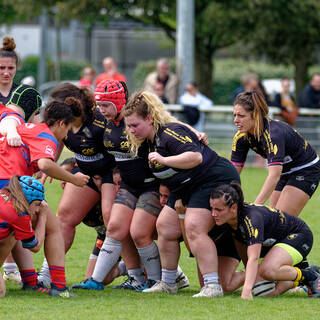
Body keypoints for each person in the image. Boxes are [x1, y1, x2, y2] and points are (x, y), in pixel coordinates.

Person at [123, 91, 240, 298]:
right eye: (129, 126)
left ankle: (213, 286)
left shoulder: (168, 133)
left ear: (149, 119)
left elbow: (195, 157)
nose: (131, 130)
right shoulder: (148, 141)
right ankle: (168, 283)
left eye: (135, 125)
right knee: (165, 227)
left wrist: (164, 160)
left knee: (194, 227)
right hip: (188, 185)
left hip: (213, 179)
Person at [73, 79, 163, 292]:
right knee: (114, 227)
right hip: (128, 187)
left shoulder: (136, 121)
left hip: (151, 186)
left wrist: (195, 133)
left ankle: (158, 282)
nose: (102, 110)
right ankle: (96, 281)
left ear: (119, 102)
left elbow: (166, 126)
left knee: (139, 233)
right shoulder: (105, 123)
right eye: (99, 105)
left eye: (106, 105)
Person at [37, 83, 117, 287]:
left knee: (113, 221)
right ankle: (47, 274)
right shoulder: (63, 122)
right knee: (64, 216)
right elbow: (60, 139)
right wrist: (52, 162)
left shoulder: (100, 122)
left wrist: (114, 177)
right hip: (84, 172)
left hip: (111, 175)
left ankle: (151, 272)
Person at [210, 182, 320, 300]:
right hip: (275, 244)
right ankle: (298, 276)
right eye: (212, 208)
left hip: (299, 235)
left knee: (267, 270)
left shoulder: (251, 219)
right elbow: (247, 259)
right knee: (260, 291)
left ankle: (311, 275)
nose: (213, 214)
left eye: (219, 210)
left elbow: (254, 258)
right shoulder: (231, 221)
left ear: (234, 208)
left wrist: (247, 291)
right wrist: (253, 282)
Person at [231, 90, 320, 216]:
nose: (236, 120)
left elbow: (274, 176)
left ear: (255, 115)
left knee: (280, 221)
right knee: (271, 220)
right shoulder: (241, 137)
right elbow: (233, 174)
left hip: (305, 169)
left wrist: (256, 206)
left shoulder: (273, 135)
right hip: (284, 171)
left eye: (241, 116)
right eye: (234, 115)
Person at [0, 37, 42, 123]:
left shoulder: (25, 93)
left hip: (19, 136)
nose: (6, 72)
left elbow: (37, 127)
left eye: (10, 68)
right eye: (1, 68)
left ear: (17, 67)